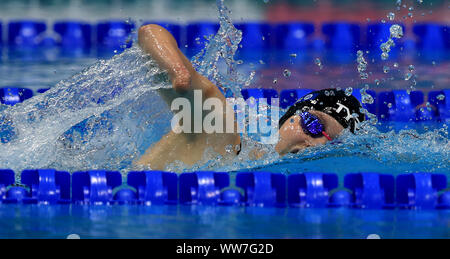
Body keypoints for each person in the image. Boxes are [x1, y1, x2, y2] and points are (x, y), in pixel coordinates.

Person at [136, 24, 365, 170]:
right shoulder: (223, 139)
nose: (315, 144)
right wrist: (181, 75)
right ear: (289, 117)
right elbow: (150, 33)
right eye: (313, 125)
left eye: (330, 142)